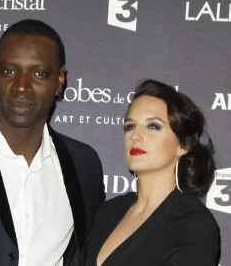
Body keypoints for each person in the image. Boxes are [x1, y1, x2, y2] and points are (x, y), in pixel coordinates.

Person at [0, 19, 105, 266]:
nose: (21, 86)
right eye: (9, 71)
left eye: (39, 73)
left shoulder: (84, 165)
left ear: (59, 81)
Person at [83, 79, 220, 266]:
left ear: (182, 145)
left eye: (153, 126)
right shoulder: (108, 211)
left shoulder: (192, 222)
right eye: (130, 126)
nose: (135, 136)